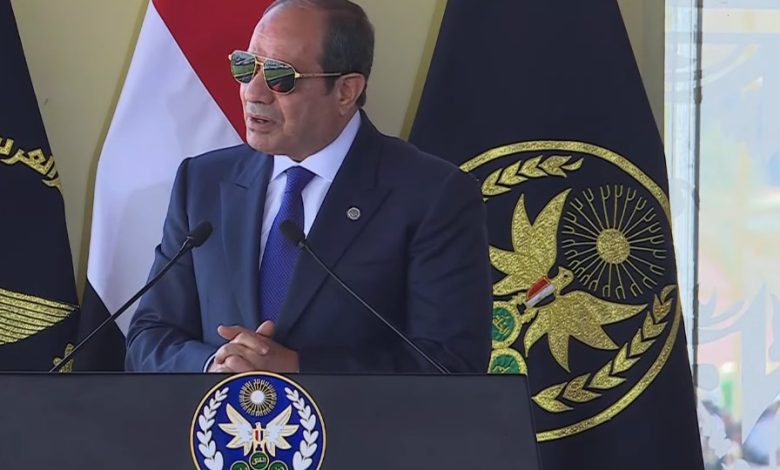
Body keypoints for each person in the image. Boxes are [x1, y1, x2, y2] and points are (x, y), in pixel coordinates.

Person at [125, 0, 492, 374]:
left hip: (350, 415)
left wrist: (298, 369)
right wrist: (213, 366)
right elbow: (149, 337)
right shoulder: (203, 181)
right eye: (246, 66)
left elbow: (452, 364)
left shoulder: (433, 195)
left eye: (280, 76)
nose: (253, 92)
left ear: (346, 91)